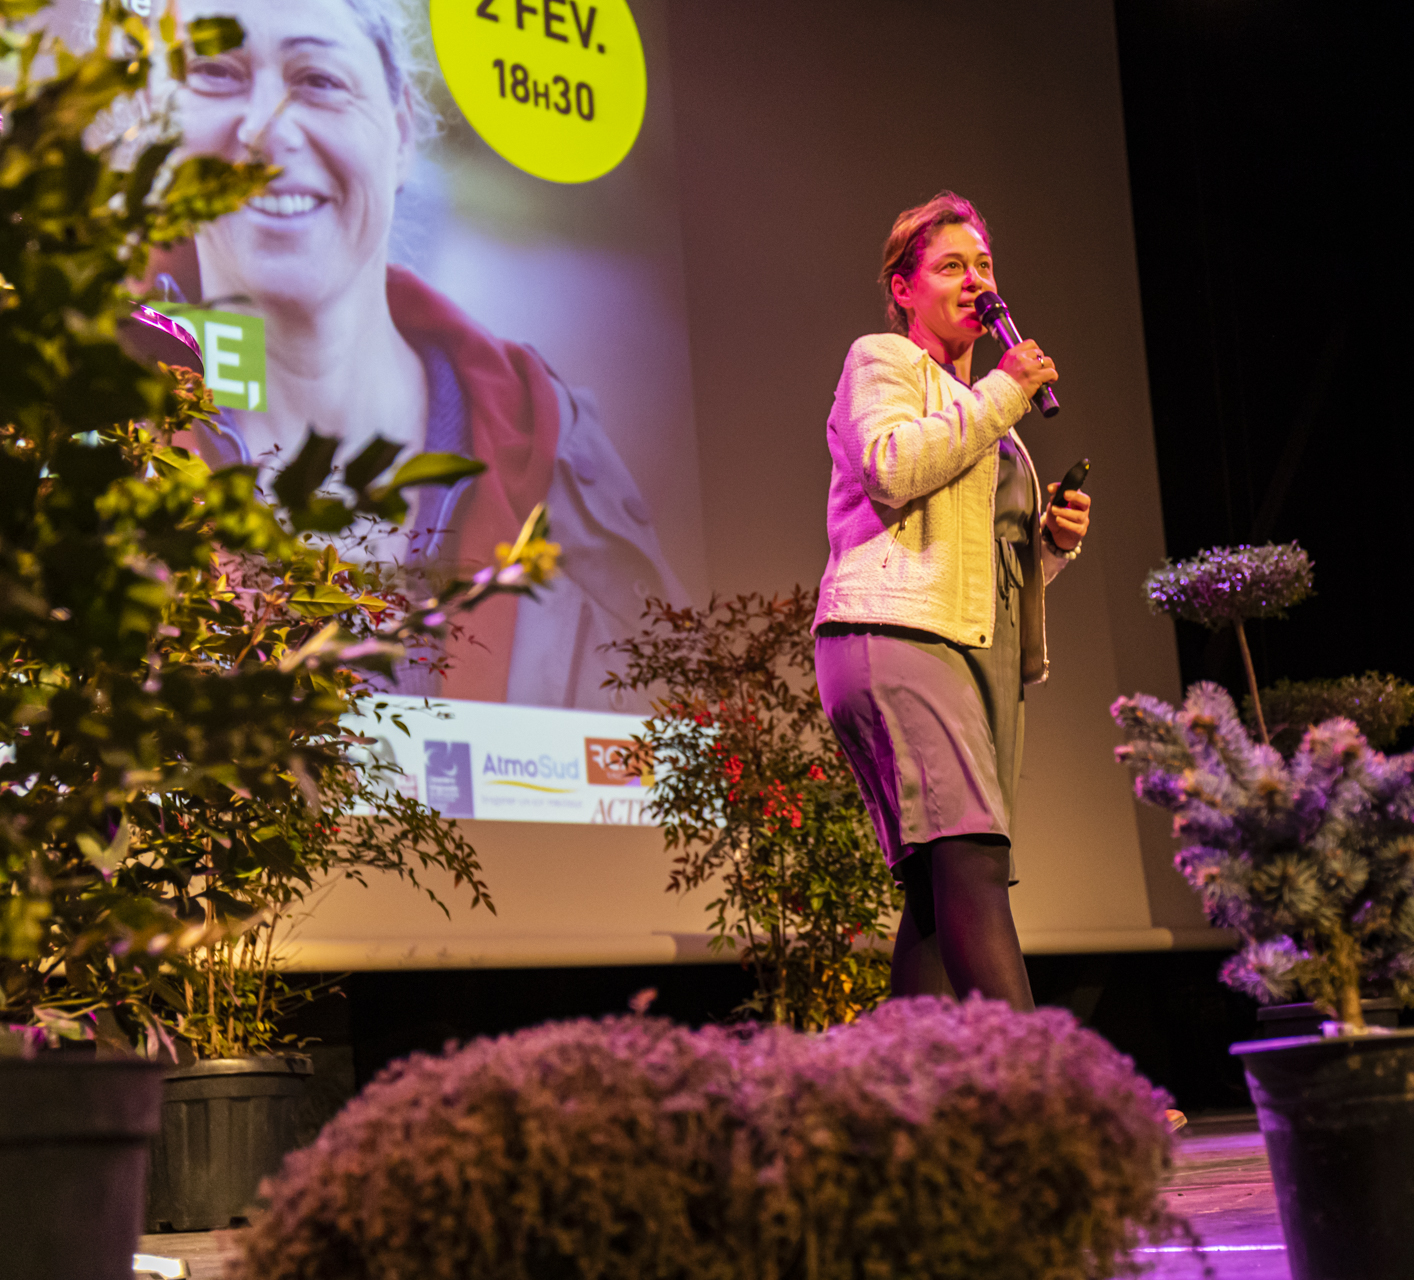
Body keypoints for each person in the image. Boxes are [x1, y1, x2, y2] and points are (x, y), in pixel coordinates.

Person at [158, 0, 686, 708]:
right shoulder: (80, 448)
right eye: (217, 74)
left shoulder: (552, 448)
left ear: (402, 133)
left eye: (317, 79)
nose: (265, 128)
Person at [814, 193, 1091, 1009]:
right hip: (896, 634)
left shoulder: (986, 416)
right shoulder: (884, 362)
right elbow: (892, 467)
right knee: (969, 859)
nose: (976, 281)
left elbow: (984, 565)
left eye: (985, 266)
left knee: (942, 894)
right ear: (904, 288)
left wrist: (1051, 544)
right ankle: (1049, 1099)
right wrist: (1004, 393)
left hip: (974, 650)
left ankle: (908, 1107)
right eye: (950, 267)